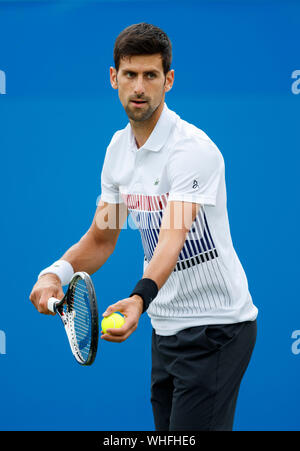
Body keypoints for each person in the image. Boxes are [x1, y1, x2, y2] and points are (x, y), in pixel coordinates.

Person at [30, 22, 258, 431]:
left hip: (217, 328)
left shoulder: (192, 151)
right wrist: (56, 272)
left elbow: (172, 240)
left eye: (151, 75)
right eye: (130, 74)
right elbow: (102, 237)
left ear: (168, 81)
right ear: (113, 78)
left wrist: (137, 300)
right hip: (165, 327)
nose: (140, 86)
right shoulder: (118, 151)